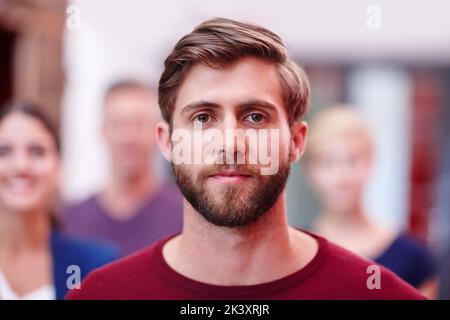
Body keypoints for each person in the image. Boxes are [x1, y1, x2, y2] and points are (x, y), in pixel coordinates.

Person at [67, 18, 424, 300]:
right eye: (203, 118)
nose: (230, 143)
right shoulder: (102, 294)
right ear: (167, 142)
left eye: (255, 117)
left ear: (296, 141)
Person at [305, 105, 437, 299]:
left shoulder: (413, 257)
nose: (342, 177)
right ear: (310, 171)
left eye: (353, 160)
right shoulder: (293, 255)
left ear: (371, 163)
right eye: (327, 162)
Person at [0, 102, 117, 300]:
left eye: (37, 151)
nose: (21, 166)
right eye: (4, 152)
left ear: (59, 167)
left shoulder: (94, 266)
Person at [63, 80, 183, 256]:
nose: (128, 138)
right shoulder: (70, 219)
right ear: (103, 131)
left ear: (159, 134)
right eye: (118, 124)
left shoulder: (184, 216)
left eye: (138, 124)